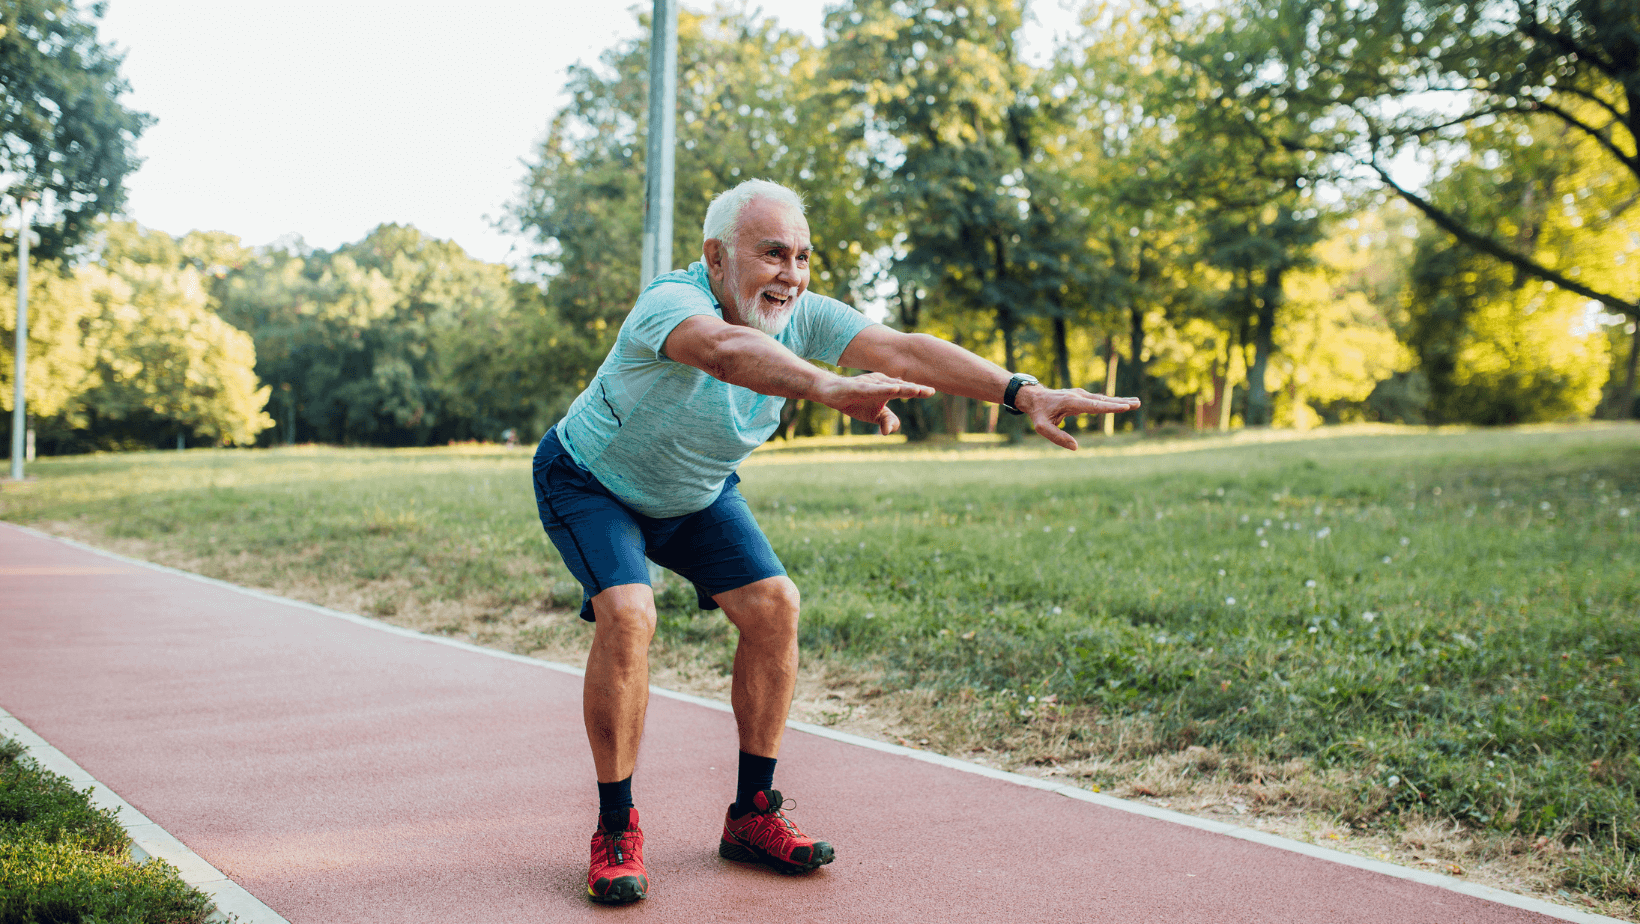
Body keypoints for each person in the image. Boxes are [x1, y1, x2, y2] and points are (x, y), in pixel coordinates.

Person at [532, 178, 1140, 904]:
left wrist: (1022, 392)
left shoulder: (803, 315)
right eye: (772, 254)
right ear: (716, 257)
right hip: (591, 482)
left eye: (802, 257)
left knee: (775, 606)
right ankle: (616, 830)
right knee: (629, 613)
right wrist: (826, 387)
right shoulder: (671, 301)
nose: (790, 274)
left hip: (695, 493)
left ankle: (752, 816)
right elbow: (723, 351)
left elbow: (905, 349)